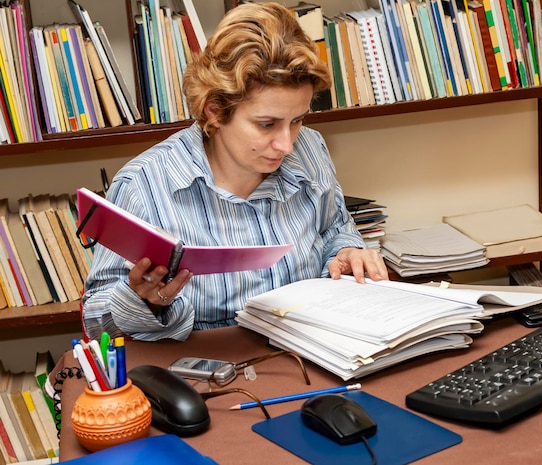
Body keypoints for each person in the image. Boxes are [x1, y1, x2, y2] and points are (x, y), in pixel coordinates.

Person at [82, 2, 388, 342]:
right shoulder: (144, 185)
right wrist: (141, 301)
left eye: (298, 120)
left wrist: (346, 252)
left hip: (313, 352)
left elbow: (334, 229)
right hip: (206, 370)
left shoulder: (310, 149)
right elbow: (96, 322)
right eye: (266, 124)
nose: (286, 144)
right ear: (215, 112)